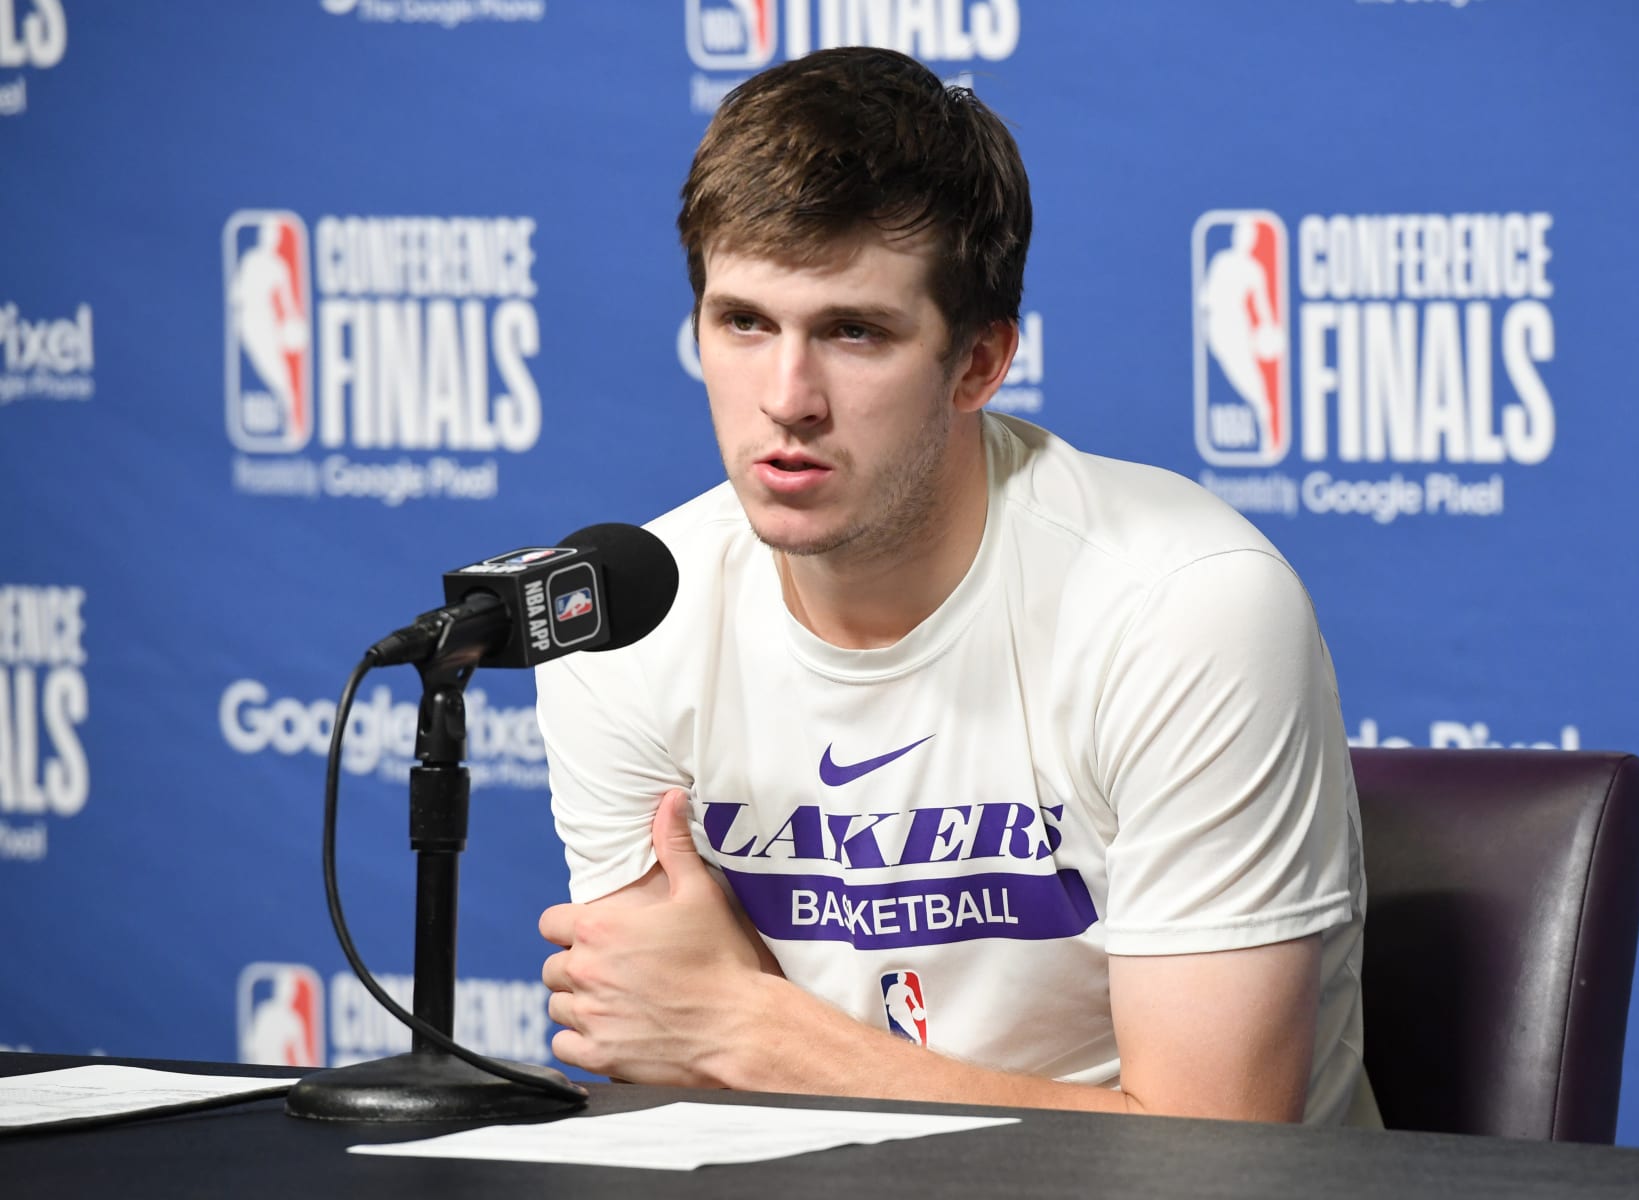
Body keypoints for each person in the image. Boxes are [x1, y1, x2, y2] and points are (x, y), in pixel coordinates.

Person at [536, 45, 1380, 1126]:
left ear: (979, 364)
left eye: (854, 332)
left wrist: (761, 1031)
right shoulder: (625, 620)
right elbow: (668, 1059)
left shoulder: (1185, 605)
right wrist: (729, 1033)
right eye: (744, 322)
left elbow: (1208, 1155)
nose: (786, 398)